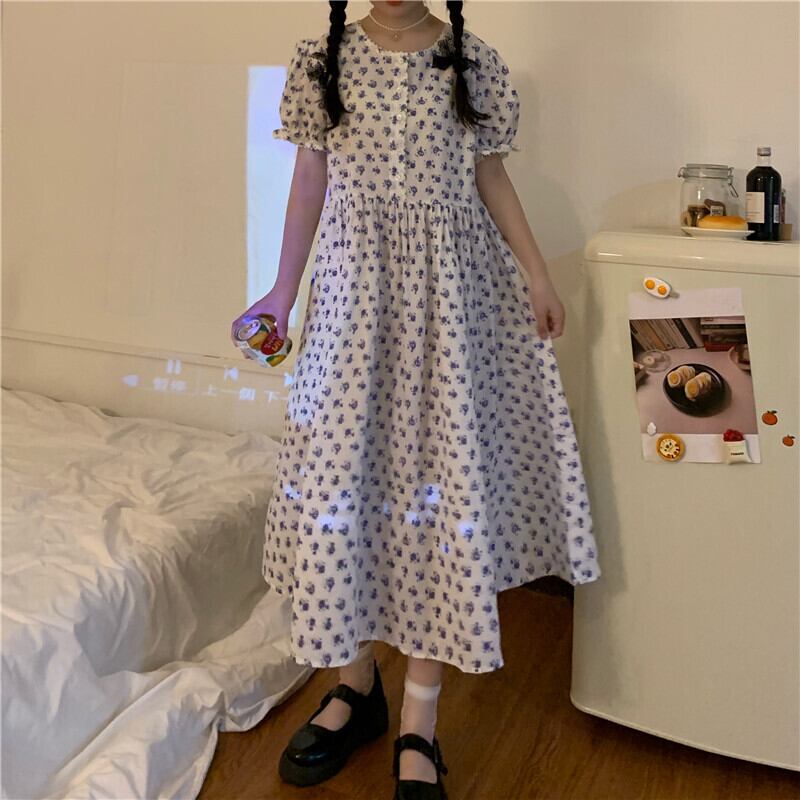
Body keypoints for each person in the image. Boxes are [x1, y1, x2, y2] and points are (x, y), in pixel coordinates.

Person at [231, 1, 601, 797]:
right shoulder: (321, 59)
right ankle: (354, 687)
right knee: (341, 488)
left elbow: (489, 175)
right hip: (353, 300)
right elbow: (308, 180)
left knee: (440, 496)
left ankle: (420, 723)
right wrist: (281, 291)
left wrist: (538, 273)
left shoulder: (474, 59)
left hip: (451, 306)